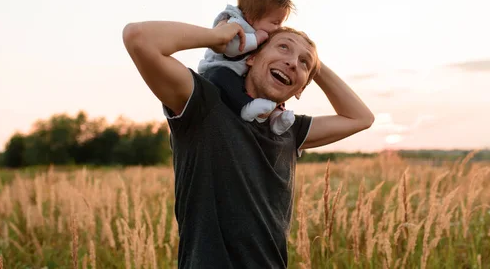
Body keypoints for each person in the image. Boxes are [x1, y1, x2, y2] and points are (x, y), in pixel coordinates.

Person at [122, 18, 374, 268]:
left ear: (300, 90)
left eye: (303, 63)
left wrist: (315, 63)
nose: (292, 62)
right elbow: (138, 37)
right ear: (250, 58)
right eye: (283, 47)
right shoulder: (204, 104)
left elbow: (361, 118)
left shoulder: (288, 130)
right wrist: (218, 37)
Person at [198, 0, 297, 135]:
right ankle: (245, 106)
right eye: (275, 22)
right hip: (218, 71)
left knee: (271, 83)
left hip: (242, 76)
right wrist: (255, 39)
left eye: (281, 23)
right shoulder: (234, 22)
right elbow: (230, 48)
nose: (278, 28)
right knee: (222, 76)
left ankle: (276, 117)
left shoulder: (263, 31)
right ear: (251, 17)